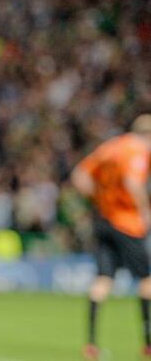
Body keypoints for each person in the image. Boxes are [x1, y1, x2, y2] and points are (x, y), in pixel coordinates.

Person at [71, 114, 151, 360]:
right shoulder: (136, 150)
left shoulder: (110, 147)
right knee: (147, 280)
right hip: (127, 223)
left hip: (103, 221)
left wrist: (100, 199)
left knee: (103, 280)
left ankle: (91, 344)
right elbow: (132, 182)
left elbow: (79, 176)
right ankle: (148, 343)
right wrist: (145, 211)